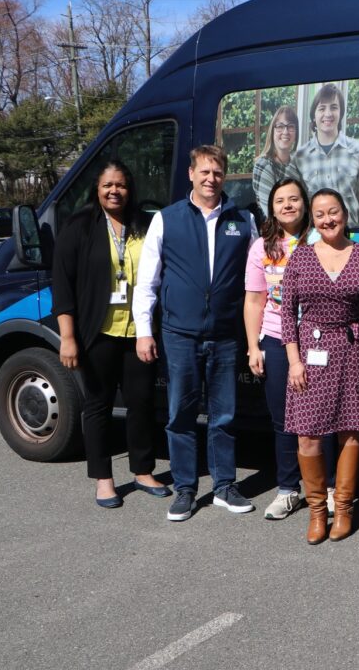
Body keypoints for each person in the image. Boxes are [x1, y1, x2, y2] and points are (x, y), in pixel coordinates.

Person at [133, 145, 258, 522]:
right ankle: (186, 488)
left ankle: (224, 486)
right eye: (204, 171)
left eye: (217, 172)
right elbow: (147, 282)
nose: (211, 178)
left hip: (224, 334)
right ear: (191, 174)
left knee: (223, 416)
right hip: (179, 333)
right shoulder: (167, 220)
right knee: (181, 414)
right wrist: (143, 331)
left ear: (225, 176)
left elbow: (255, 282)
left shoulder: (243, 221)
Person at [52, 160, 170, 508]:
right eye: (107, 185)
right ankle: (103, 478)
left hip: (139, 332)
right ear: (97, 189)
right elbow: (63, 286)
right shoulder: (80, 227)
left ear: (129, 188)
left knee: (142, 403)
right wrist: (68, 337)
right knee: (98, 406)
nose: (114, 191)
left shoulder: (145, 225)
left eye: (120, 185)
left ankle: (143, 470)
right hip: (97, 332)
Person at [282, 188, 359, 543]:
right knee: (308, 435)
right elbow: (286, 313)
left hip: (353, 351)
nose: (327, 220)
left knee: (350, 432)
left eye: (333, 212)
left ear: (345, 213)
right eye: (320, 214)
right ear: (312, 219)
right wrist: (294, 361)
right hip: (310, 354)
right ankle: (316, 512)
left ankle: (342, 508)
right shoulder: (301, 257)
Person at [244, 177, 325, 522]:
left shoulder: (323, 240)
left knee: (323, 419)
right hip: (275, 340)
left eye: (294, 199)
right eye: (280, 200)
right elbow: (253, 300)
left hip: (320, 341)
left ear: (305, 203)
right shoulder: (262, 247)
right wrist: (253, 347)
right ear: (271, 207)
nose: (288, 205)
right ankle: (288, 489)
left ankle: (328, 489)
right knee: (283, 420)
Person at [292, 83, 359, 228]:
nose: (328, 114)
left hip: (353, 237)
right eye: (322, 108)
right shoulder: (300, 157)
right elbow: (298, 205)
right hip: (315, 240)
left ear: (341, 113)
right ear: (314, 115)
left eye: (334, 107)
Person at [251, 106, 304, 214]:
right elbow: (270, 212)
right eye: (280, 126)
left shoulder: (298, 163)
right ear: (272, 131)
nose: (285, 131)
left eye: (291, 126)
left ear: (296, 132)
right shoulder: (264, 165)